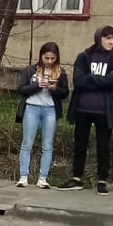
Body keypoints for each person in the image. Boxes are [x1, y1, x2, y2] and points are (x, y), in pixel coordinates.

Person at [64, 26, 113, 195]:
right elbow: (78, 81)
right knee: (80, 144)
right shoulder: (85, 56)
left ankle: (102, 180)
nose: (111, 42)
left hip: (105, 110)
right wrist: (100, 81)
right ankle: (76, 178)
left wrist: (91, 78)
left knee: (103, 146)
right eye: (107, 38)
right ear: (99, 38)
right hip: (83, 108)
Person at [15, 42, 67, 188]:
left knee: (47, 145)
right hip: (32, 108)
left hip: (50, 110)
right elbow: (21, 89)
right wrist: (38, 86)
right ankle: (23, 177)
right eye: (46, 58)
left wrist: (54, 88)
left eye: (52, 58)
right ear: (41, 56)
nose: (49, 61)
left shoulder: (60, 72)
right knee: (27, 143)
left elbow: (65, 93)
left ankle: (43, 178)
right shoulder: (31, 70)